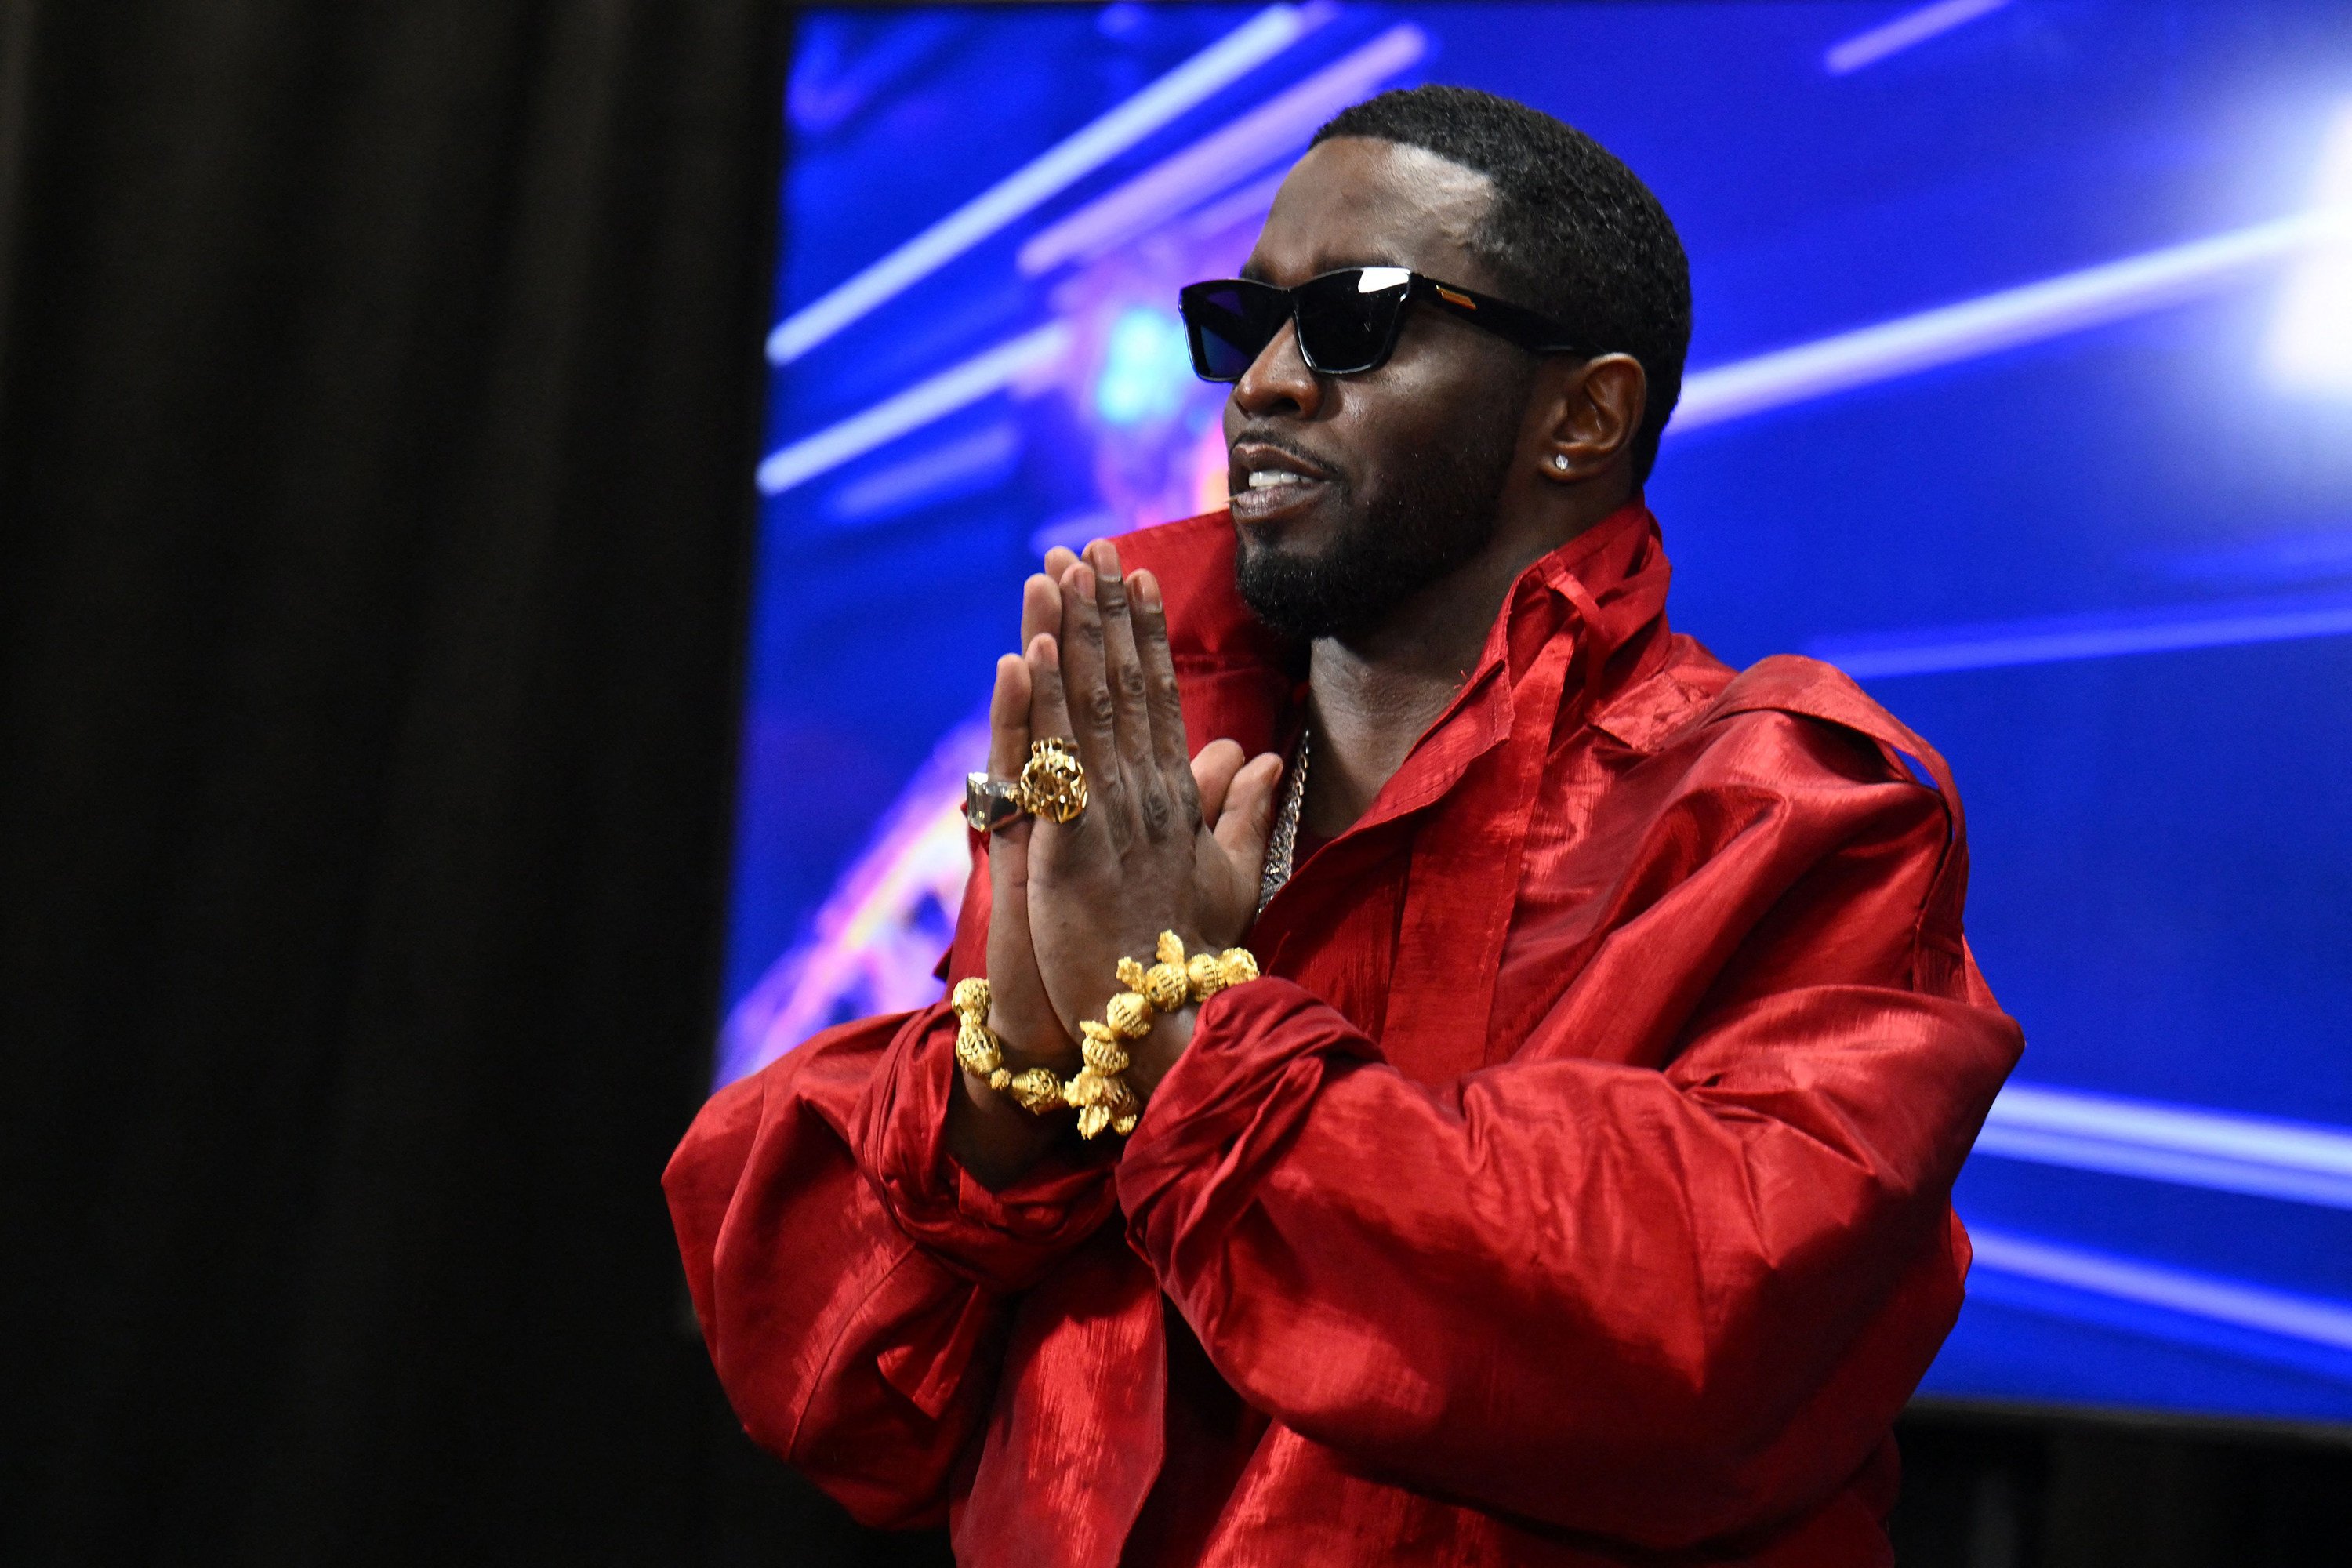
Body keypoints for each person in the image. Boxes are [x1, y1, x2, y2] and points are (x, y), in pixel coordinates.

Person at [666, 85, 2022, 1567]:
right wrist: (1033, 1065)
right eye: (1245, 326)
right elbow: (837, 1381)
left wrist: (1176, 1021)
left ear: (1584, 415)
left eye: (1354, 319)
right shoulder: (1142, 755)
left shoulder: (1787, 804)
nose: (1263, 384)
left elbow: (1698, 1327)